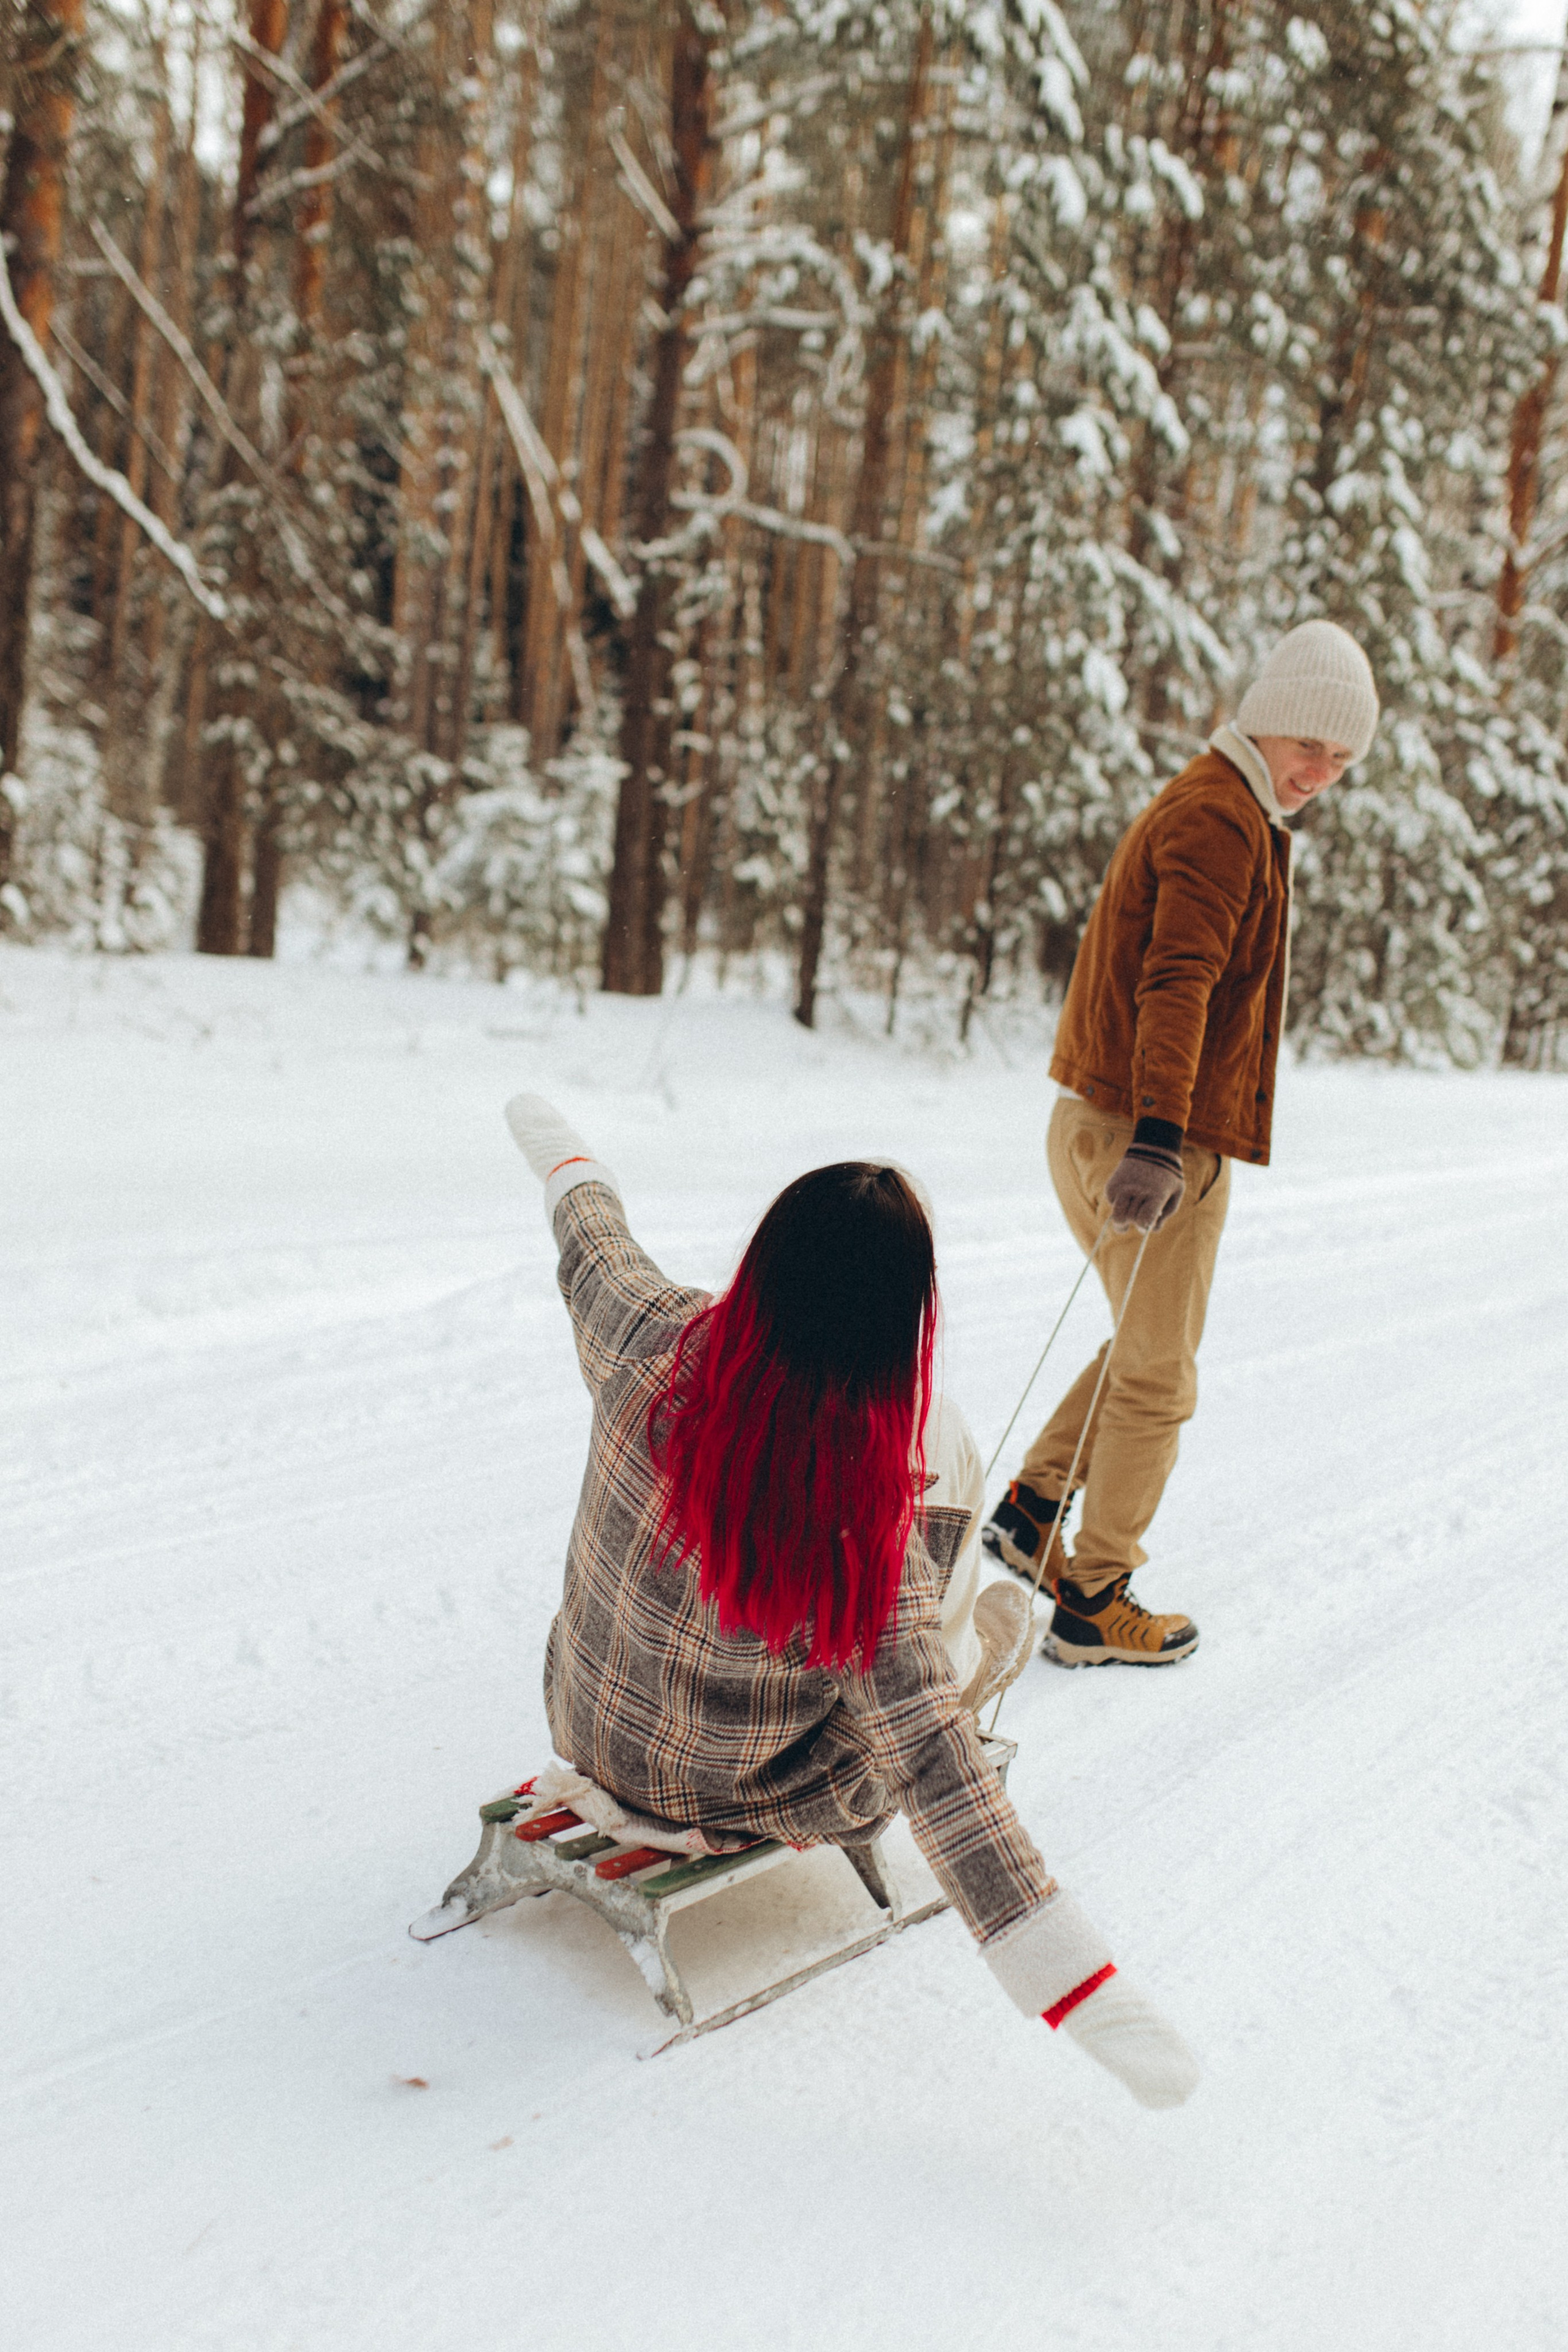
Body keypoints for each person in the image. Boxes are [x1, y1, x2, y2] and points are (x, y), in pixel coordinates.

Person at [505, 1093, 1198, 2106]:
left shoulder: (650, 1336)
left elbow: (593, 1240)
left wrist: (563, 1154)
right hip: (735, 1795)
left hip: (584, 1719)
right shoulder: (859, 1527)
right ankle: (970, 1648)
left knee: (903, 1576)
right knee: (932, 1559)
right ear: (894, 1329)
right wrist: (1085, 1991)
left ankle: (956, 1637)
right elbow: (941, 1775)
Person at [984, 619, 1379, 1667]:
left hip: (1099, 1118)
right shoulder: (1220, 819)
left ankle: (1033, 1509)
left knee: (1142, 1337)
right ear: (1270, 718)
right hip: (1145, 1133)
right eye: (1311, 745)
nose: (1320, 773)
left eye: (1341, 760)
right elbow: (1179, 981)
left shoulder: (1219, 801)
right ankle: (1095, 1599)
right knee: (1161, 1374)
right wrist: (1162, 1137)